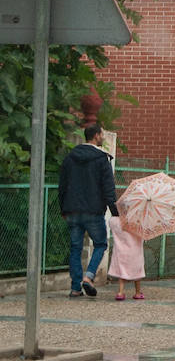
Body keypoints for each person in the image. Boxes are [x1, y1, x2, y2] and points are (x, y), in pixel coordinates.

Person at [58, 123, 117, 298]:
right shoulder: (101, 159)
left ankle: (75, 287)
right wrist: (115, 212)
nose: (103, 137)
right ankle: (89, 277)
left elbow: (62, 186)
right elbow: (108, 189)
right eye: (102, 134)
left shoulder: (70, 158)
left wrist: (64, 208)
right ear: (97, 136)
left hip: (72, 210)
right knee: (100, 244)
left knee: (75, 248)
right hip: (93, 210)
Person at [108, 213, 145, 301]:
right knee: (138, 271)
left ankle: (120, 292)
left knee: (122, 271)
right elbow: (143, 233)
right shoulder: (138, 221)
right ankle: (137, 292)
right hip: (135, 251)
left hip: (121, 251)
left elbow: (110, 222)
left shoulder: (114, 221)